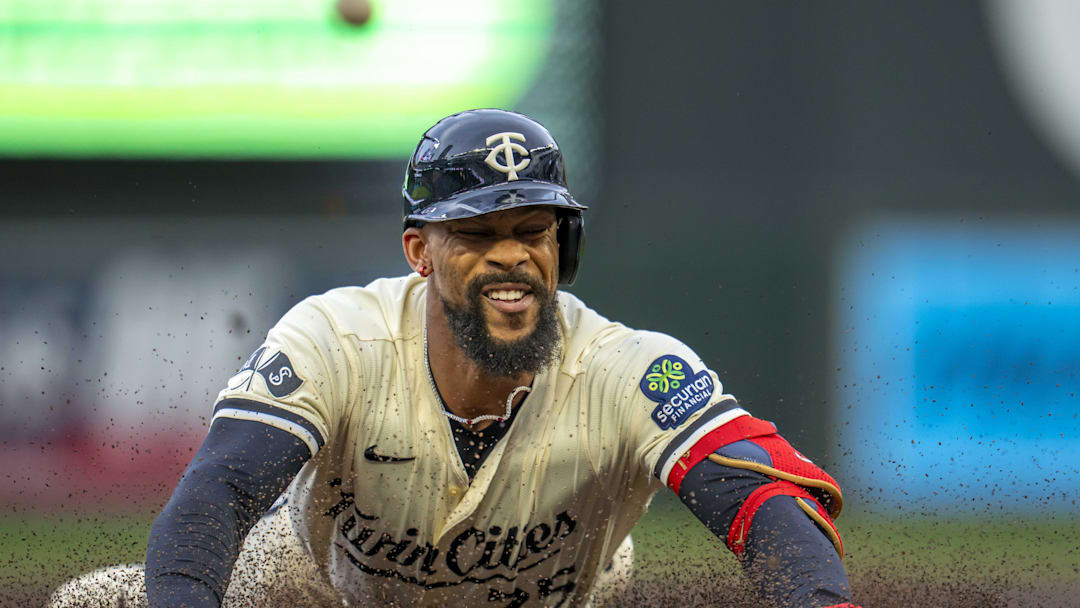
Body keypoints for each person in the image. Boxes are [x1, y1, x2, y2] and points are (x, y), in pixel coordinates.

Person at [49, 109, 858, 607]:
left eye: (533, 230)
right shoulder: (339, 337)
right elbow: (220, 489)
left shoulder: (627, 369)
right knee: (89, 604)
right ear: (420, 252)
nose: (511, 255)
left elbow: (761, 499)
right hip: (313, 585)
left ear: (565, 245)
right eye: (476, 233)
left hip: (550, 599)